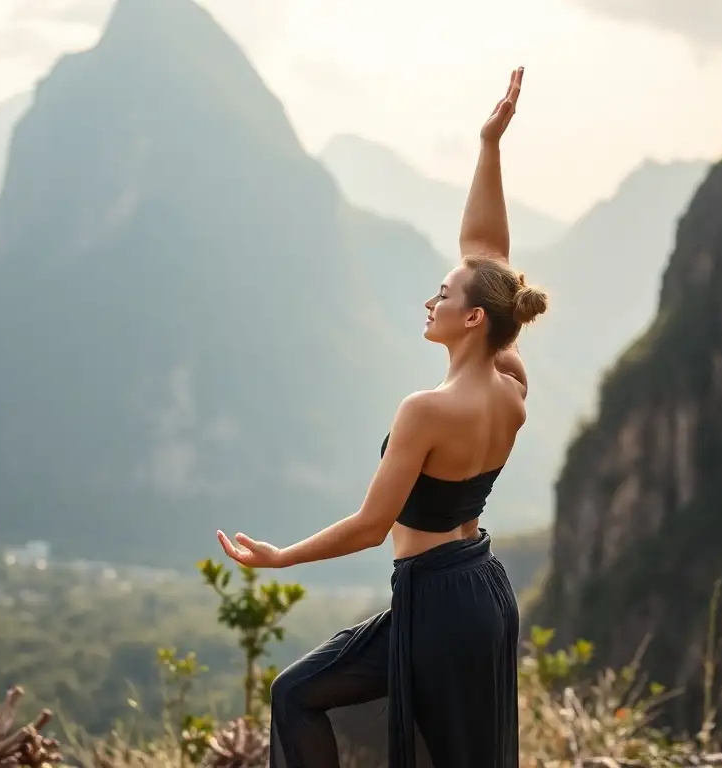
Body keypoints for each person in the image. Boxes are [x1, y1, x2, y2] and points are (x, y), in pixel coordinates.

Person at [215, 67, 546, 768]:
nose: (432, 300)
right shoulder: (511, 382)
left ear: (473, 318)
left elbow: (371, 527)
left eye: (444, 294)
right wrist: (488, 145)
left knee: (298, 693)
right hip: (483, 590)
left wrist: (281, 557)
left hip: (435, 602)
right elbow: (487, 257)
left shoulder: (424, 410)